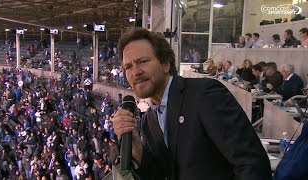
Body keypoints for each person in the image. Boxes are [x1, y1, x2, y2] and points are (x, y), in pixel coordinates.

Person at [113, 28, 272, 180]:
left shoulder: (204, 95)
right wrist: (137, 148)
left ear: (165, 64)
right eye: (128, 67)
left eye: (142, 61)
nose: (135, 72)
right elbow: (162, 175)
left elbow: (252, 164)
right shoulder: (148, 121)